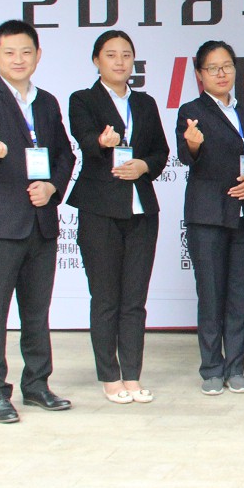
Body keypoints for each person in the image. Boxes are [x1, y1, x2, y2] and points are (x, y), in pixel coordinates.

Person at [0, 18, 75, 424]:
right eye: (9, 52)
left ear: (38, 55)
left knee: (36, 312)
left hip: (40, 222)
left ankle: (37, 384)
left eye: (26, 52)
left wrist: (52, 187)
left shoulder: (47, 103)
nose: (18, 59)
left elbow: (64, 155)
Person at [67, 30, 170, 405]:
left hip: (141, 210)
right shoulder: (83, 99)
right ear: (97, 60)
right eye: (111, 55)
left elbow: (160, 151)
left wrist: (144, 165)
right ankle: (109, 376)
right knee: (106, 297)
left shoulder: (145, 103)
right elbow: (84, 138)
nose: (120, 61)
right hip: (100, 209)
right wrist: (101, 142)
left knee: (134, 300)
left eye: (126, 54)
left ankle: (132, 374)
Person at [176, 40, 244, 396]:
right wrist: (193, 144)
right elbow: (187, 156)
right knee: (211, 295)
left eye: (226, 65)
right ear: (200, 74)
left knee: (240, 295)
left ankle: (236, 367)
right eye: (212, 68)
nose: (221, 73)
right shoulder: (191, 111)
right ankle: (212, 368)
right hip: (208, 217)